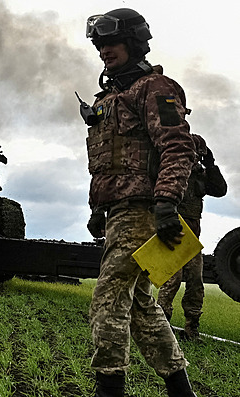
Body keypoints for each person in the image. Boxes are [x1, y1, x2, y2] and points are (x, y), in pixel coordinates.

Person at [84, 8, 199, 397]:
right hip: (118, 213)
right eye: (99, 44)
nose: (103, 50)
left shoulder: (156, 88)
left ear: (133, 43)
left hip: (142, 211)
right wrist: (97, 209)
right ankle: (180, 389)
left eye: (111, 42)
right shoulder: (110, 99)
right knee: (139, 305)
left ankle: (109, 389)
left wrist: (166, 201)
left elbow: (178, 146)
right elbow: (105, 163)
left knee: (109, 297)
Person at [158, 134, 227, 340]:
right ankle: (162, 325)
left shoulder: (200, 175)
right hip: (172, 236)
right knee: (172, 280)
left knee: (196, 283)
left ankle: (192, 328)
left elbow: (220, 190)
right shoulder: (172, 171)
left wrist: (211, 165)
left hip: (192, 240)